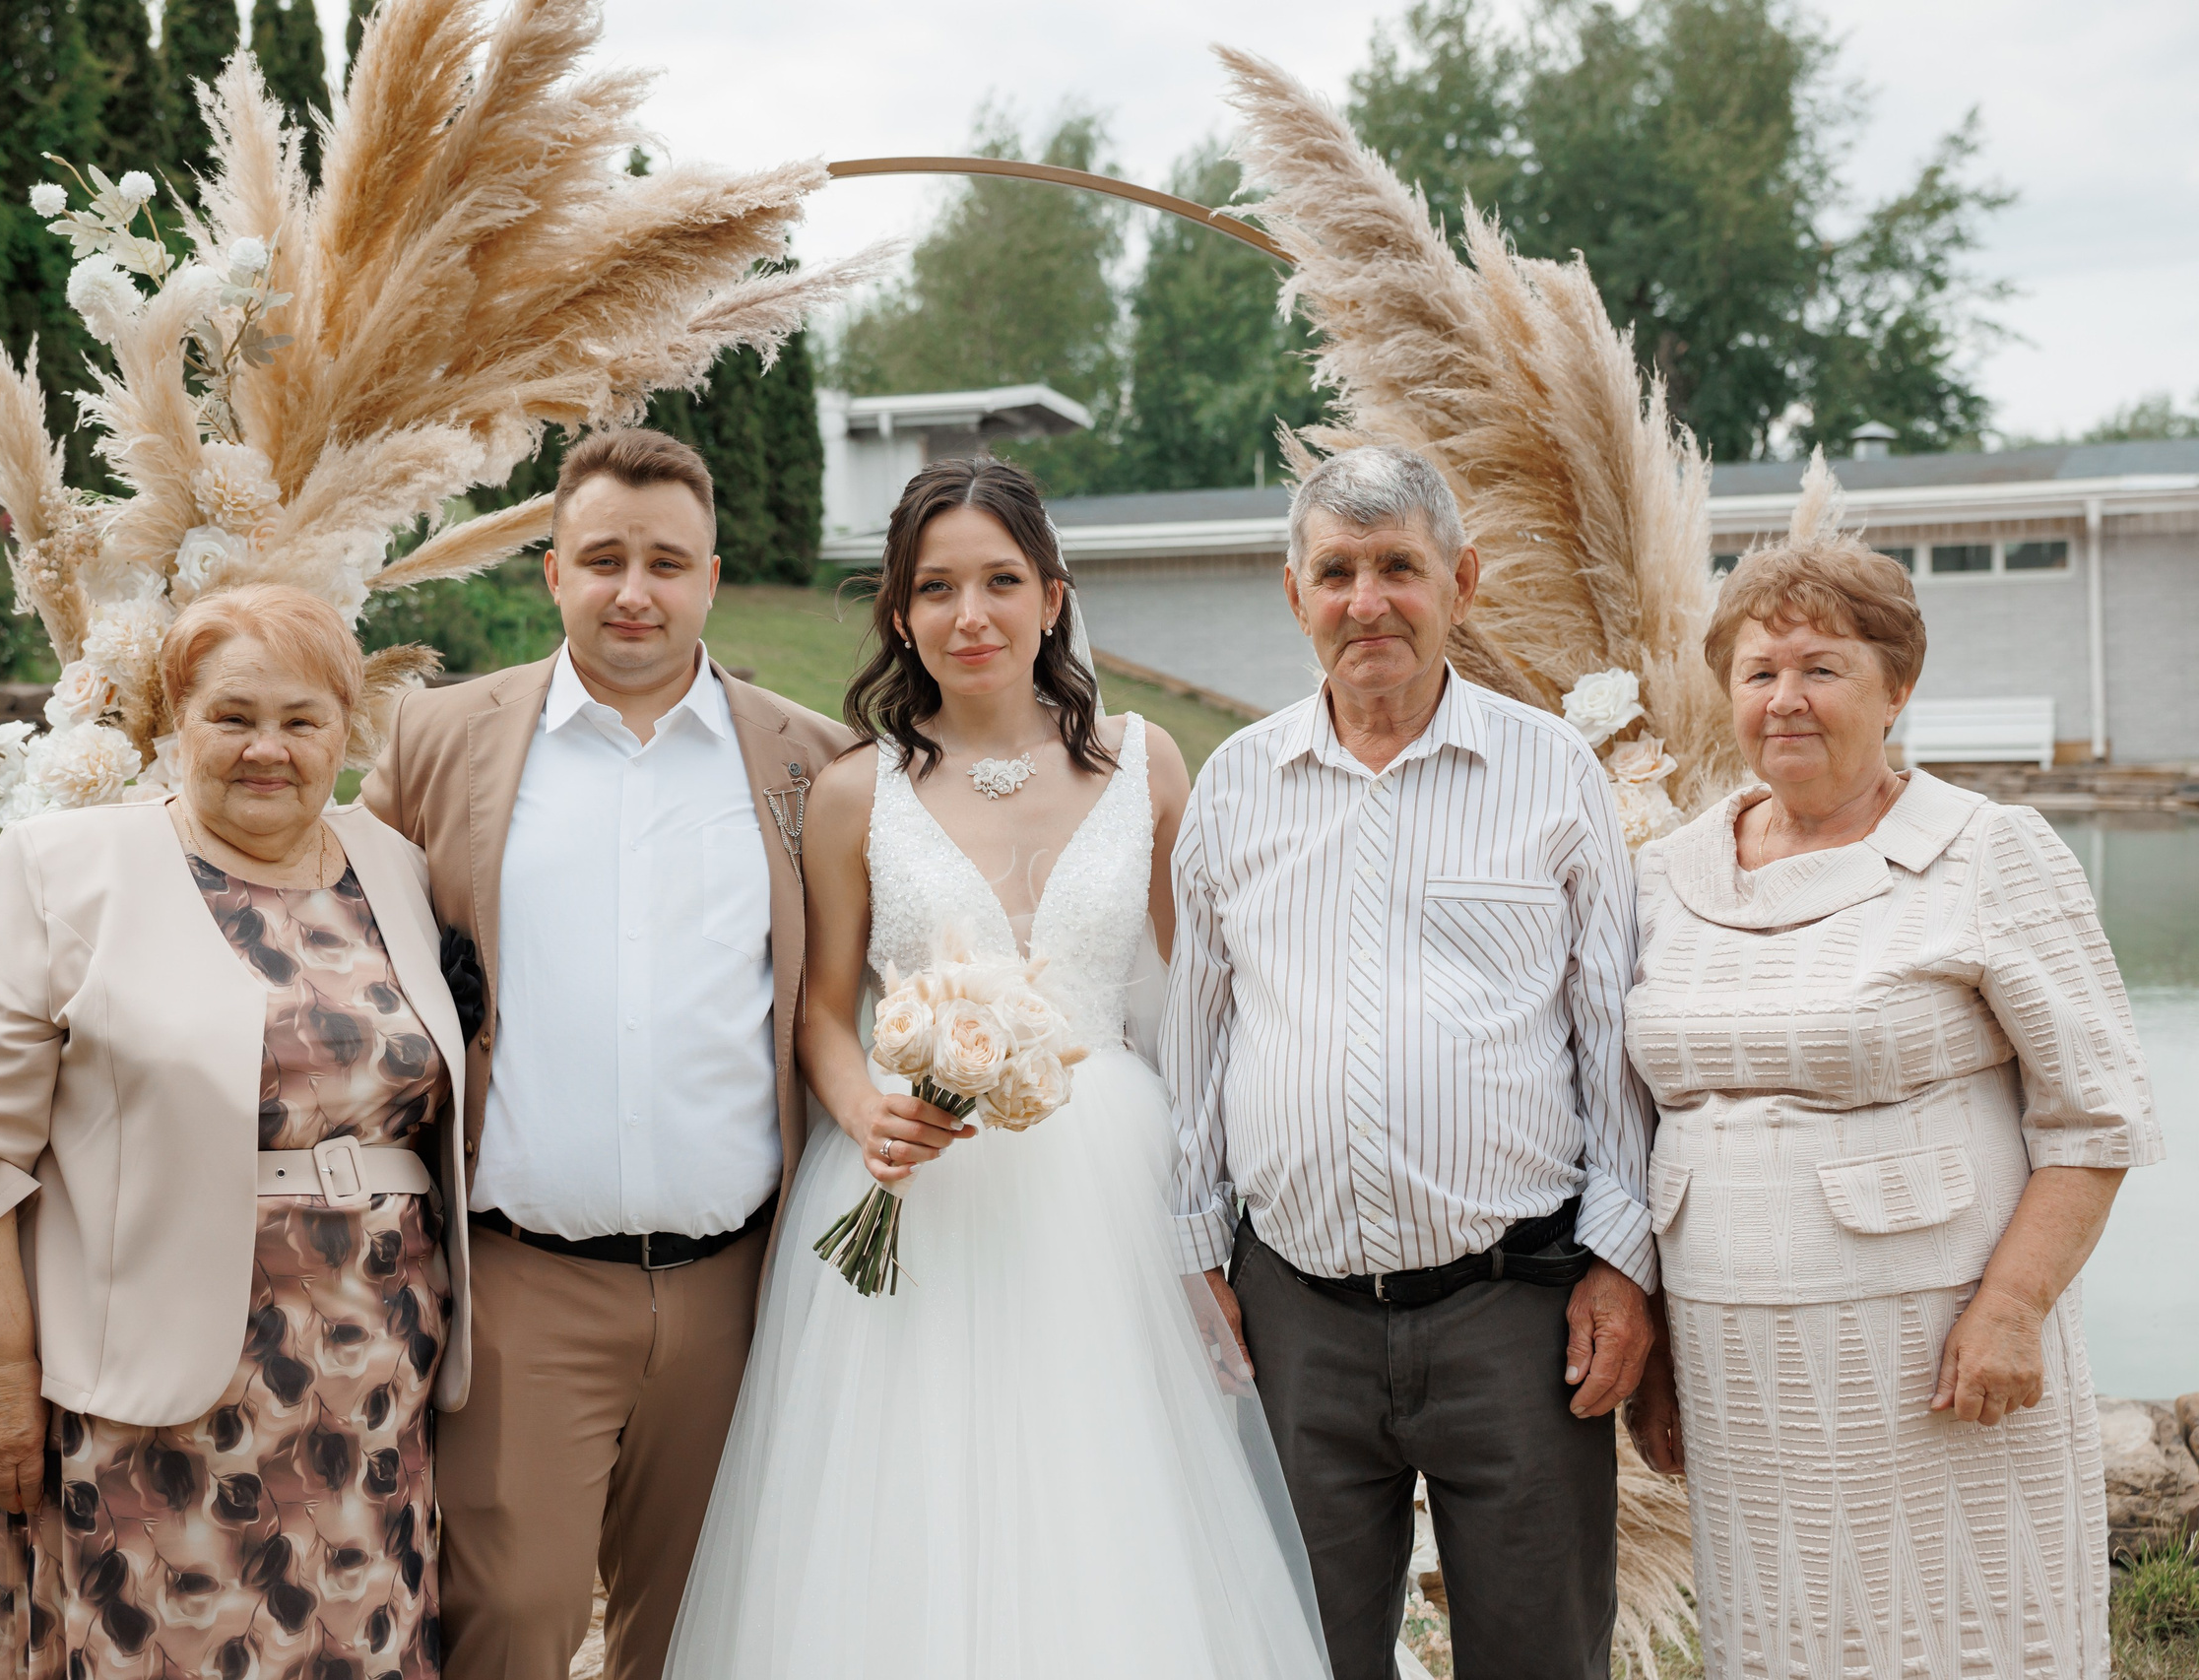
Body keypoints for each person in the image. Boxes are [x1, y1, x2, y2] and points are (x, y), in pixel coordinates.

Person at [664, 456, 1328, 1680]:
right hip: (917, 1193)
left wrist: (1216, 1219)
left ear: (1054, 595)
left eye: (1000, 581)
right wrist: (868, 1106)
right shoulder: (856, 792)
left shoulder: (1149, 764)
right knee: (907, 1519)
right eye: (935, 588)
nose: (969, 615)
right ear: (900, 614)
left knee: (1111, 1506)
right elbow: (821, 1011)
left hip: (1115, 1205)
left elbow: (1204, 1010)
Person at [1617, 499, 2162, 1679]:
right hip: (1731, 1346)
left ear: (1896, 685)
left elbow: (2097, 1110)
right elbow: (1639, 1118)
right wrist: (1655, 1336)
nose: (1785, 697)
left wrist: (2013, 1304)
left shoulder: (1989, 850)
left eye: (1823, 666)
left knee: (1962, 1631)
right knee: (1782, 1633)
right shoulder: (1664, 873)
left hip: (1936, 1344)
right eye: (1759, 669)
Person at [0, 584, 470, 1680]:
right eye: (233, 715)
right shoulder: (65, 867)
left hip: (371, 1383)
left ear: (344, 732)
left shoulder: (391, 869)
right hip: (154, 1397)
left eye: (303, 721)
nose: (269, 748)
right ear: (174, 718)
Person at [359, 428, 850, 1680]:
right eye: (604, 558)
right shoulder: (440, 739)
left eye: (666, 562)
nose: (635, 591)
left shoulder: (807, 759)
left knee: (694, 1628)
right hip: (526, 1278)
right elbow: (336, 921)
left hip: (737, 1284)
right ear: (553, 573)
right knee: (511, 1615)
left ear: (712, 577)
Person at [1168, 444, 1658, 1680]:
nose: (1366, 600)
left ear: (1462, 581)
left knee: (1539, 1652)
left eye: (1399, 566)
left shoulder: (1550, 771)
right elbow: (1196, 1041)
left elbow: (1611, 1036)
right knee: (1299, 1651)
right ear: (1295, 593)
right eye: (1336, 570)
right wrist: (1194, 1250)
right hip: (1294, 1314)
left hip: (1519, 1309)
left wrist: (1618, 1258)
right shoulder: (1237, 785)